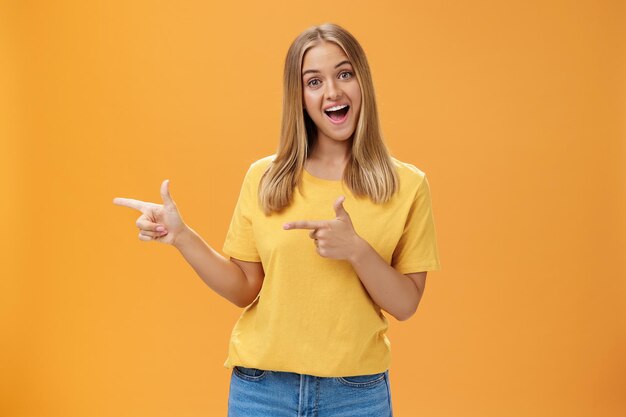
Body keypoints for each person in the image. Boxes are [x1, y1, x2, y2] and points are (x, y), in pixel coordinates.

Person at [114, 23, 440, 417]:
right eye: (314, 81)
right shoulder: (266, 178)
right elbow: (244, 289)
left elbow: (405, 305)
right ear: (299, 96)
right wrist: (182, 236)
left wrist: (356, 250)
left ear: (362, 82)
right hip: (262, 392)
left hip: (356, 395)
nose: (333, 91)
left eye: (344, 73)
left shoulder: (407, 185)